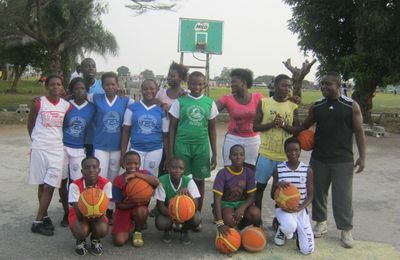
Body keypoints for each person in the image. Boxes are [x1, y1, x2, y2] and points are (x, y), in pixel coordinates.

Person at [298, 71, 366, 248]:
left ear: (338, 85)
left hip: (343, 159)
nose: (324, 87)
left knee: (342, 196)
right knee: (318, 192)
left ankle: (346, 229)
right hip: (319, 158)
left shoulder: (351, 106)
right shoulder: (317, 106)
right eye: (322, 84)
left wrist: (363, 157)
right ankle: (321, 223)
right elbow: (304, 126)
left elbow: (359, 131)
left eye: (328, 84)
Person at [168, 71, 218, 221]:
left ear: (204, 85)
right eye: (193, 83)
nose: (197, 86)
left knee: (199, 180)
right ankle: (178, 212)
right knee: (180, 179)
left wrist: (214, 153)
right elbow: (172, 128)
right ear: (188, 84)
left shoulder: (209, 102)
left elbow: (212, 129)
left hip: (201, 147)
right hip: (182, 145)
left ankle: (196, 213)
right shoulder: (180, 102)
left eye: (200, 84)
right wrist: (170, 153)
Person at [27, 75, 72, 236]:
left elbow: (65, 125)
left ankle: (37, 221)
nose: (55, 87)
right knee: (41, 184)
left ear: (62, 87)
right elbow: (30, 124)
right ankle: (44, 217)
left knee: (50, 185)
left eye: (59, 84)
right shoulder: (38, 103)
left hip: (56, 150)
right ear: (47, 86)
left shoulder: (66, 106)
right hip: (39, 148)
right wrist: (36, 140)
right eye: (52, 84)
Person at [88, 72, 133, 223]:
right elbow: (78, 95)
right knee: (100, 177)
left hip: (116, 147)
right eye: (107, 84)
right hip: (100, 145)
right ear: (102, 86)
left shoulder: (125, 101)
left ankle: (110, 209)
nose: (110, 87)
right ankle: (97, 206)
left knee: (113, 179)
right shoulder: (96, 97)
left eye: (113, 84)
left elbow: (145, 103)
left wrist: (163, 103)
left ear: (117, 85)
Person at [253, 74, 299, 213]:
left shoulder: (293, 105)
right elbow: (255, 127)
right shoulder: (264, 102)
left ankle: (279, 221)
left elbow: (297, 130)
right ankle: (257, 222)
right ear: (275, 86)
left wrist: (284, 124)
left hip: (284, 157)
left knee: (282, 191)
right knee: (259, 188)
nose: (287, 89)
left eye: (289, 86)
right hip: (266, 154)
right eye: (284, 85)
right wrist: (272, 124)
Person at [59, 77, 96, 227]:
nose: (79, 91)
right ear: (72, 91)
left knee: (76, 183)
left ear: (87, 90)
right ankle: (66, 212)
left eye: (82, 88)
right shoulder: (66, 105)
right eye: (76, 88)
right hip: (62, 146)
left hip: (79, 148)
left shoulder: (92, 107)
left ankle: (76, 211)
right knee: (62, 181)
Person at [270, 137, 314, 255]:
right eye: (290, 150)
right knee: (290, 227)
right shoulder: (279, 169)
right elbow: (272, 196)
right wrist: (276, 185)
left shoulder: (307, 170)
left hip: (299, 209)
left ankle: (293, 230)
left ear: (300, 151)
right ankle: (282, 229)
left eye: (296, 150)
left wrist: (300, 208)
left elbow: (310, 196)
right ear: (285, 151)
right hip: (283, 209)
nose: (293, 153)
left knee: (307, 250)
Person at [216, 68, 263, 170]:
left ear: (243, 83)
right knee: (230, 171)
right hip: (233, 138)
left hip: (253, 140)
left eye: (234, 82)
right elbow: (210, 109)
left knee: (251, 171)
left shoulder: (258, 98)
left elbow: (272, 106)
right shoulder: (227, 99)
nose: (231, 84)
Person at [121, 79, 168, 176]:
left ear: (157, 90)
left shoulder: (162, 110)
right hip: (136, 149)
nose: (148, 91)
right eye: (145, 89)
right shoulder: (132, 108)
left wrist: (168, 156)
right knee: (135, 178)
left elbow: (165, 135)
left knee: (149, 178)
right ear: (141, 90)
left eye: (152, 89)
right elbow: (125, 132)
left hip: (155, 150)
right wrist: (123, 154)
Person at [112, 151, 159, 247]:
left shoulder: (145, 174)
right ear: (124, 164)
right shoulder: (118, 180)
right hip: (124, 210)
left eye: (136, 163)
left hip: (138, 210)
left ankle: (137, 232)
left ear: (140, 164)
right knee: (119, 242)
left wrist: (137, 175)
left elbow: (156, 182)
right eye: (129, 163)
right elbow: (119, 205)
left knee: (142, 210)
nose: (132, 166)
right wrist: (137, 202)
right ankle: (129, 225)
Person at [213, 145, 261, 236]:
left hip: (241, 203)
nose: (238, 157)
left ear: (245, 157)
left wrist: (242, 208)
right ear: (229, 157)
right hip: (226, 204)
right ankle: (230, 227)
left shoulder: (248, 172)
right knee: (229, 219)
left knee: (256, 213)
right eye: (235, 154)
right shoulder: (222, 173)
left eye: (241, 154)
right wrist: (219, 223)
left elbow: (252, 196)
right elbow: (217, 199)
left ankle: (242, 228)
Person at [68, 156, 112, 256]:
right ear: (82, 171)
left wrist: (96, 214)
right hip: (79, 213)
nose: (91, 170)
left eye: (94, 167)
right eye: (87, 167)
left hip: (98, 213)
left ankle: (95, 240)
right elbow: (79, 215)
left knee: (103, 229)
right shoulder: (74, 185)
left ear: (99, 170)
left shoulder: (106, 184)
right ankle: (80, 241)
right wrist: (89, 214)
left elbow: (103, 210)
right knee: (82, 231)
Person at [154, 157, 201, 245]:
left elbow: (196, 206)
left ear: (184, 170)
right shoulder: (162, 181)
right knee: (161, 222)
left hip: (185, 212)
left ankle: (184, 231)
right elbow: (160, 206)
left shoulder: (189, 181)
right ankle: (168, 230)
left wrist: (189, 195)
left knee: (196, 219)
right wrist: (175, 216)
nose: (178, 170)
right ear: (168, 168)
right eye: (174, 168)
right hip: (168, 211)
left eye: (181, 168)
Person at [156, 61, 189, 177]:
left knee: (177, 166)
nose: (169, 78)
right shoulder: (161, 94)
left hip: (179, 136)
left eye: (173, 76)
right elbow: (152, 103)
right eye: (168, 75)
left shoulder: (185, 95)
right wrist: (161, 104)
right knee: (163, 164)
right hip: (163, 137)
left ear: (180, 78)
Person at [80, 58, 103, 157]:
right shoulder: (77, 85)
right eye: (87, 66)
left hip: (98, 135)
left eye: (93, 66)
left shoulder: (102, 85)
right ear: (81, 69)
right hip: (80, 135)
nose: (91, 69)